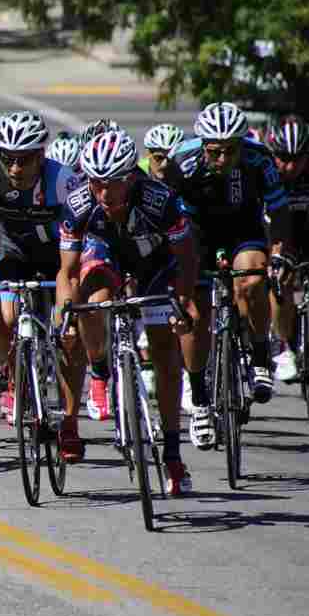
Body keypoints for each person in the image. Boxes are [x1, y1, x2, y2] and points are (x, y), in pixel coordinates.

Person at [57, 131, 202, 494]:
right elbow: (68, 272)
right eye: (97, 184)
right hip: (104, 253)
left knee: (166, 353)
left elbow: (186, 259)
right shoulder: (78, 204)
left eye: (115, 184)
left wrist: (183, 302)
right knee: (91, 297)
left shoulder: (160, 199)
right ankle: (100, 371)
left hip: (154, 262)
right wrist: (66, 313)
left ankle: (171, 453)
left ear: (132, 177)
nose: (105, 194)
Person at [0, 111, 86, 459]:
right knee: (6, 316)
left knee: (69, 336)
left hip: (59, 257)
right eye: (7, 159)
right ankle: (10, 374)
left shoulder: (64, 180)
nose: (14, 168)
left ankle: (70, 422)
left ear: (41, 155)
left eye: (23, 160)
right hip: (13, 254)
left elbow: (86, 238)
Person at [165, 101, 289, 413]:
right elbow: (162, 217)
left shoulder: (259, 158)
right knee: (196, 311)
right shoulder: (180, 160)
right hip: (197, 232)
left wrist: (278, 254)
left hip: (242, 227)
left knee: (250, 280)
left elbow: (278, 208)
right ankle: (199, 398)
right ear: (203, 146)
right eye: (214, 151)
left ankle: (261, 356)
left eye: (230, 151)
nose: (222, 159)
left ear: (241, 144)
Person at [265, 117, 309, 383]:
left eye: (299, 158)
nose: (291, 166)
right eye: (284, 157)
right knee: (281, 279)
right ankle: (286, 345)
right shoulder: (267, 172)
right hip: (280, 231)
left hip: (308, 227)